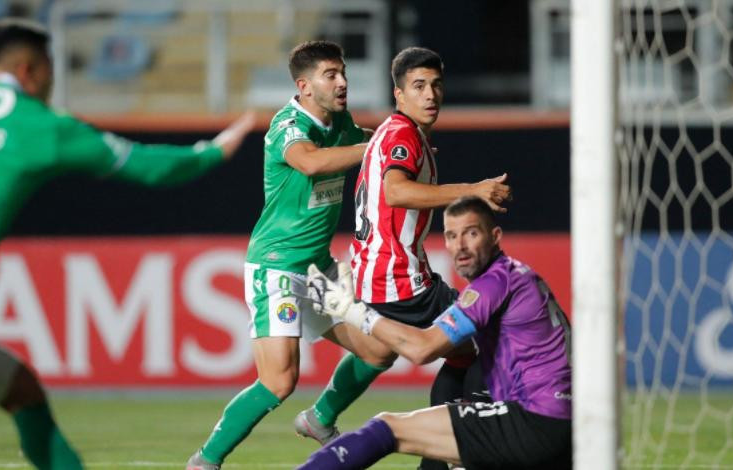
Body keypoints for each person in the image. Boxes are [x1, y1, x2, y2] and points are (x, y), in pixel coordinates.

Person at [0, 18, 255, 470]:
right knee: (24, 396)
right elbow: (146, 165)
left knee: (19, 389)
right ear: (28, 70)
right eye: (50, 71)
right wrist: (214, 150)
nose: (51, 83)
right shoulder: (39, 124)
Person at [297, 46, 511, 469]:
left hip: (389, 274)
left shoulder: (403, 133)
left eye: (436, 85)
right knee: (492, 338)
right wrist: (472, 190)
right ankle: (462, 449)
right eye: (418, 86)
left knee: (457, 351)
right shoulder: (401, 134)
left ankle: (439, 453)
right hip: (399, 280)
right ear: (399, 94)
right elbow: (396, 191)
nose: (430, 94)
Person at [186, 40, 397, 470]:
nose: (342, 83)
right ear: (304, 86)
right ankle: (205, 462)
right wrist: (376, 150)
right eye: (330, 75)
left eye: (343, 73)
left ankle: (320, 419)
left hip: (319, 271)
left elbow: (367, 141)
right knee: (280, 380)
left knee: (379, 350)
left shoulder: (341, 120)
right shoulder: (287, 126)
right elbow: (312, 163)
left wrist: (397, 142)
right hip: (277, 266)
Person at [300, 196, 573, 469]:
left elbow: (422, 349)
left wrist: (351, 311)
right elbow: (451, 348)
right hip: (564, 423)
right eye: (452, 236)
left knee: (386, 428)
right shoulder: (518, 275)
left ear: (495, 236)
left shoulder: (493, 283)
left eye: (472, 233)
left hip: (534, 419)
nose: (460, 246)